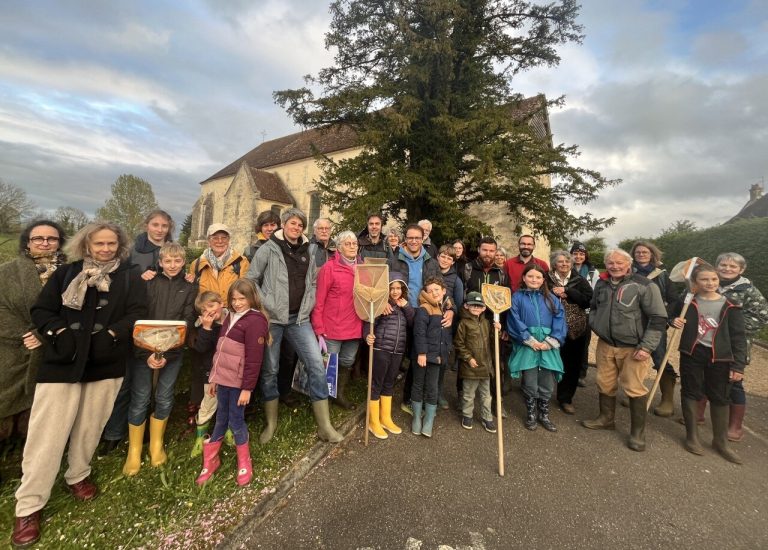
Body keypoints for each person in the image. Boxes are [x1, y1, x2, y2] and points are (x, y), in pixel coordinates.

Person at [13, 222, 146, 548]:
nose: (105, 249)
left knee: (90, 426)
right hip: (63, 363)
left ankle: (78, 474)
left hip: (106, 362)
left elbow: (137, 314)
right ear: (87, 244)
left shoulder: (128, 277)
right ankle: (29, 504)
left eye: (111, 244)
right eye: (98, 243)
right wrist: (59, 333)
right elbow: (42, 310)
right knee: (47, 433)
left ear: (120, 245)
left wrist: (113, 335)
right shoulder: (67, 272)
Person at [247, 208, 343, 444]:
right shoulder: (268, 248)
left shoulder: (309, 249)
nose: (296, 228)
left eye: (300, 225)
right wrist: (266, 303)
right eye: (292, 223)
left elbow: (313, 280)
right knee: (270, 369)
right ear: (283, 225)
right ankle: (271, 423)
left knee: (316, 365)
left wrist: (309, 302)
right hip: (273, 320)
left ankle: (324, 426)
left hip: (299, 320)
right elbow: (251, 279)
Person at [100, 209, 175, 455]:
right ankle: (114, 431)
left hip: (162, 321)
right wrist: (137, 276)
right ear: (147, 225)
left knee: (154, 382)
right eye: (156, 225)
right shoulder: (132, 251)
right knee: (128, 380)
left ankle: (146, 431)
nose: (160, 229)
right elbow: (119, 279)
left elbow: (178, 275)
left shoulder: (173, 249)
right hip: (135, 318)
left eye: (164, 225)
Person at [582, 249, 667, 452]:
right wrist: (595, 324)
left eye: (619, 263)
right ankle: (606, 419)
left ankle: (637, 433)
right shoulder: (602, 284)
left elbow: (658, 318)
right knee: (604, 382)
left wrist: (647, 347)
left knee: (634, 387)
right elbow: (593, 307)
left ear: (628, 264)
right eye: (610, 263)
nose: (615, 266)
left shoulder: (644, 285)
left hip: (633, 348)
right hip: (606, 345)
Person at [123, 242, 197, 476]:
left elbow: (186, 319)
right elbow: (139, 316)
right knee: (141, 397)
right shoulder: (148, 282)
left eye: (177, 261)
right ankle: (134, 450)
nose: (173, 265)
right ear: (160, 262)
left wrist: (165, 352)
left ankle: (156, 444)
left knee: (164, 396)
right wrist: (149, 353)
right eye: (168, 261)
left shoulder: (189, 286)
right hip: (143, 351)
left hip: (172, 351)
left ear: (183, 262)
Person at [0, 220, 66, 456]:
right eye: (38, 238)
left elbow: (73, 310)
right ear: (27, 242)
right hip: (12, 346)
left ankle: (32, 453)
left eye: (52, 239)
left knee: (41, 408)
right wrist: (24, 334)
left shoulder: (70, 271)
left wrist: (44, 333)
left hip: (54, 345)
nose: (45, 243)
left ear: (60, 242)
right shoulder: (7, 271)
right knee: (7, 399)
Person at [195, 279, 269, 486]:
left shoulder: (256, 321)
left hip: (238, 382)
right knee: (221, 419)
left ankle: (244, 461)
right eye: (234, 299)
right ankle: (211, 461)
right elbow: (220, 351)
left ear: (251, 298)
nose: (237, 303)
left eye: (242, 299)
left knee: (236, 420)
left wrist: (247, 388)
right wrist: (214, 378)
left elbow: (254, 359)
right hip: (223, 379)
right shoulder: (230, 317)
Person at [671, 265, 746, 464]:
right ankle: (692, 436)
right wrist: (673, 321)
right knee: (690, 391)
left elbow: (738, 337)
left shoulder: (730, 305)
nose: (710, 283)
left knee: (720, 396)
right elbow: (671, 314)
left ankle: (720, 442)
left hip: (720, 356)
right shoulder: (688, 301)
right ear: (696, 282)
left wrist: (738, 366)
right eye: (704, 280)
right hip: (692, 352)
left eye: (713, 279)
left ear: (718, 280)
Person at [186, 224, 250, 429]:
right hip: (205, 322)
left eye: (224, 237)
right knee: (203, 365)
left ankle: (229, 411)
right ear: (209, 240)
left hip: (230, 320)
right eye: (215, 237)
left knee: (228, 363)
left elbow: (244, 290)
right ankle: (200, 410)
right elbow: (192, 292)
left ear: (229, 239)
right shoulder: (197, 264)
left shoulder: (240, 262)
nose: (220, 241)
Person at [387, 223, 449, 415]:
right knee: (396, 355)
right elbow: (385, 283)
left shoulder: (430, 262)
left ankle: (410, 398)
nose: (414, 241)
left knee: (417, 355)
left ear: (423, 239)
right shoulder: (395, 259)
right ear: (406, 238)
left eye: (417, 238)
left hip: (423, 313)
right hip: (399, 312)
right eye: (410, 237)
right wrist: (384, 302)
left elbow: (440, 286)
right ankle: (385, 395)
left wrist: (451, 308)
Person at [709, 252, 768, 441]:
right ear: (716, 267)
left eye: (732, 266)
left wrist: (730, 327)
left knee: (733, 383)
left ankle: (735, 426)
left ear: (741, 270)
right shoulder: (709, 283)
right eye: (723, 265)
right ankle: (697, 416)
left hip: (733, 345)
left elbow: (761, 316)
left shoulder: (748, 290)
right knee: (703, 377)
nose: (727, 269)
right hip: (706, 341)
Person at [507, 263, 566, 432]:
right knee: (531, 380)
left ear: (543, 279)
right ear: (524, 278)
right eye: (531, 276)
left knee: (547, 380)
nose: (534, 279)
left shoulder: (552, 298)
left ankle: (544, 414)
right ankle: (531, 412)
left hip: (548, 345)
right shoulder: (517, 298)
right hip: (528, 345)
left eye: (538, 277)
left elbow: (560, 318)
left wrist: (550, 341)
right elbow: (514, 319)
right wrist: (530, 340)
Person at [311, 231, 363, 410]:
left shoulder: (363, 268)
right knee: (329, 364)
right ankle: (323, 398)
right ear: (339, 247)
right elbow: (319, 300)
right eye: (347, 244)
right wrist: (318, 327)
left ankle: (338, 394)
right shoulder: (329, 268)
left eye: (354, 243)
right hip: (332, 326)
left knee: (347, 361)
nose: (352, 246)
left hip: (355, 325)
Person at [629, 241, 681, 417]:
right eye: (638, 252)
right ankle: (635, 395)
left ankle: (667, 400)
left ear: (652, 254)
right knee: (634, 358)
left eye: (645, 252)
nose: (641, 254)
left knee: (660, 358)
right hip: (633, 323)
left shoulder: (662, 275)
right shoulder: (628, 271)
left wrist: (666, 316)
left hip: (655, 324)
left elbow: (673, 299)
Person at [363, 273, 415, 439]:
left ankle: (385, 418)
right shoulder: (381, 304)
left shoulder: (405, 306)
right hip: (381, 349)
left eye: (398, 288)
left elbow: (413, 322)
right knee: (376, 383)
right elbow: (369, 322)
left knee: (389, 383)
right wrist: (367, 336)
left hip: (397, 350)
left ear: (403, 289)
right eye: (391, 288)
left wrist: (406, 307)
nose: (395, 291)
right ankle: (373, 422)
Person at [545, 251, 593, 415]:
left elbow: (588, 300)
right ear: (554, 264)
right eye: (560, 262)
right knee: (546, 361)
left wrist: (568, 291)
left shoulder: (579, 280)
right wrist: (554, 292)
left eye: (567, 261)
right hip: (549, 326)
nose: (564, 264)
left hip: (575, 328)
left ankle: (565, 398)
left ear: (571, 264)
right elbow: (538, 295)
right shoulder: (546, 278)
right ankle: (541, 395)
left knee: (571, 364)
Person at [411, 277, 452, 438]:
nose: (434, 293)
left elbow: (445, 336)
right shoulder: (424, 308)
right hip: (422, 355)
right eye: (430, 290)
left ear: (443, 291)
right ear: (425, 293)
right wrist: (421, 353)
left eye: (437, 289)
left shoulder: (444, 309)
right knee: (418, 384)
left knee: (433, 387)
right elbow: (419, 332)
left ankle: (429, 420)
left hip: (437, 357)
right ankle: (416, 417)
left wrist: (444, 354)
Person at [454, 292, 500, 433]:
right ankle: (467, 415)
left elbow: (491, 341)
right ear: (467, 306)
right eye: (473, 305)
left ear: (484, 308)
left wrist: (496, 330)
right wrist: (468, 358)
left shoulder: (486, 323)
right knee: (469, 394)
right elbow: (459, 343)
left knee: (486, 395)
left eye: (479, 306)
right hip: (470, 367)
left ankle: (487, 417)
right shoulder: (463, 323)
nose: (476, 308)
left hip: (485, 366)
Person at [189, 291, 225, 457]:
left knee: (229, 403)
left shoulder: (230, 321)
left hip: (228, 372)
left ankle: (229, 430)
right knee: (208, 405)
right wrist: (206, 327)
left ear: (221, 303)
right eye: (204, 310)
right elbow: (201, 348)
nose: (208, 312)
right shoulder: (201, 327)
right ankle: (200, 435)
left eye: (211, 306)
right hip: (209, 374)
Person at [435, 244, 464, 409]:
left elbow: (458, 304)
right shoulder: (430, 272)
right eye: (443, 256)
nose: (445, 260)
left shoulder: (456, 280)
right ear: (438, 256)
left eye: (449, 258)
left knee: (442, 362)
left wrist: (451, 311)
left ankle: (438, 394)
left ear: (453, 262)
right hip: (429, 323)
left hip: (446, 326)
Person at [570, 241, 598, 386]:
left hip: (586, 311)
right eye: (575, 253)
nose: (578, 256)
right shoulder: (566, 268)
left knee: (583, 343)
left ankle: (581, 373)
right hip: (568, 310)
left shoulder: (592, 272)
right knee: (567, 342)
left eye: (581, 254)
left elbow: (594, 292)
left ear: (585, 256)